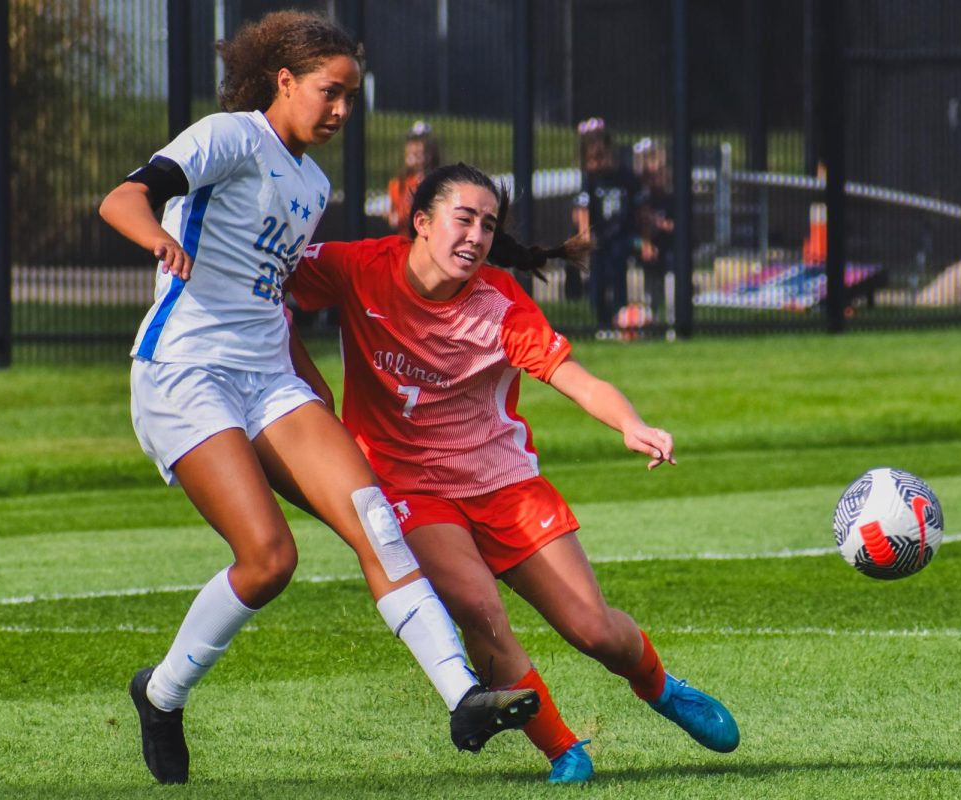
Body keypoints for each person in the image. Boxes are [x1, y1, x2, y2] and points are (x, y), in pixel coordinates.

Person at [98, 13, 537, 786]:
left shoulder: (313, 183)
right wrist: (157, 239)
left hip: (272, 381)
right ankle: (161, 695)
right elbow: (125, 199)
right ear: (286, 80)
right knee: (269, 561)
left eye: (351, 98)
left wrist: (310, 377)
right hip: (185, 373)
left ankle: (462, 696)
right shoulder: (226, 138)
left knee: (377, 519)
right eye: (330, 93)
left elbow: (272, 297)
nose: (341, 111)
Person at [286, 162, 740, 784]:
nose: (475, 235)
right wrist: (304, 386)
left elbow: (573, 377)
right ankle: (564, 751)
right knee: (479, 609)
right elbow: (264, 281)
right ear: (421, 223)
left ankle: (659, 686)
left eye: (488, 224)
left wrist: (630, 424)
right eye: (463, 218)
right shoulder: (356, 266)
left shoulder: (500, 305)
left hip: (505, 485)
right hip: (410, 487)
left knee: (594, 630)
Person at [571, 118, 643, 335]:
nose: (596, 164)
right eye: (591, 159)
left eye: (600, 157)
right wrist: (585, 234)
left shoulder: (625, 176)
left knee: (619, 276)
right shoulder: (590, 179)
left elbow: (639, 208)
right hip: (599, 238)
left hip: (621, 235)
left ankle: (620, 320)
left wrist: (643, 236)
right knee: (598, 281)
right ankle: (601, 323)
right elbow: (582, 208)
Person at [632, 137, 675, 324]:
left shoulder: (671, 196)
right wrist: (646, 243)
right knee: (651, 280)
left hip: (670, 246)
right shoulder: (643, 197)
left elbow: (675, 225)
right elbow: (641, 224)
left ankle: (674, 320)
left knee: (671, 276)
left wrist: (662, 225)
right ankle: (651, 318)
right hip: (651, 246)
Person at [386, 120, 441, 236]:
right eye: (412, 153)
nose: (416, 158)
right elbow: (393, 217)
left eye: (420, 154)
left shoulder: (434, 182)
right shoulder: (397, 183)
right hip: (404, 239)